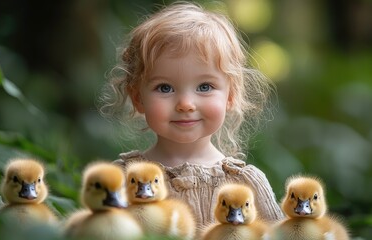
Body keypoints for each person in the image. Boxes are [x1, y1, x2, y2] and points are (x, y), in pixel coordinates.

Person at [99, 1, 284, 230]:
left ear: (230, 96)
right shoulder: (123, 178)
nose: (186, 104)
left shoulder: (246, 183)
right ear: (138, 98)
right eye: (165, 88)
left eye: (205, 87)